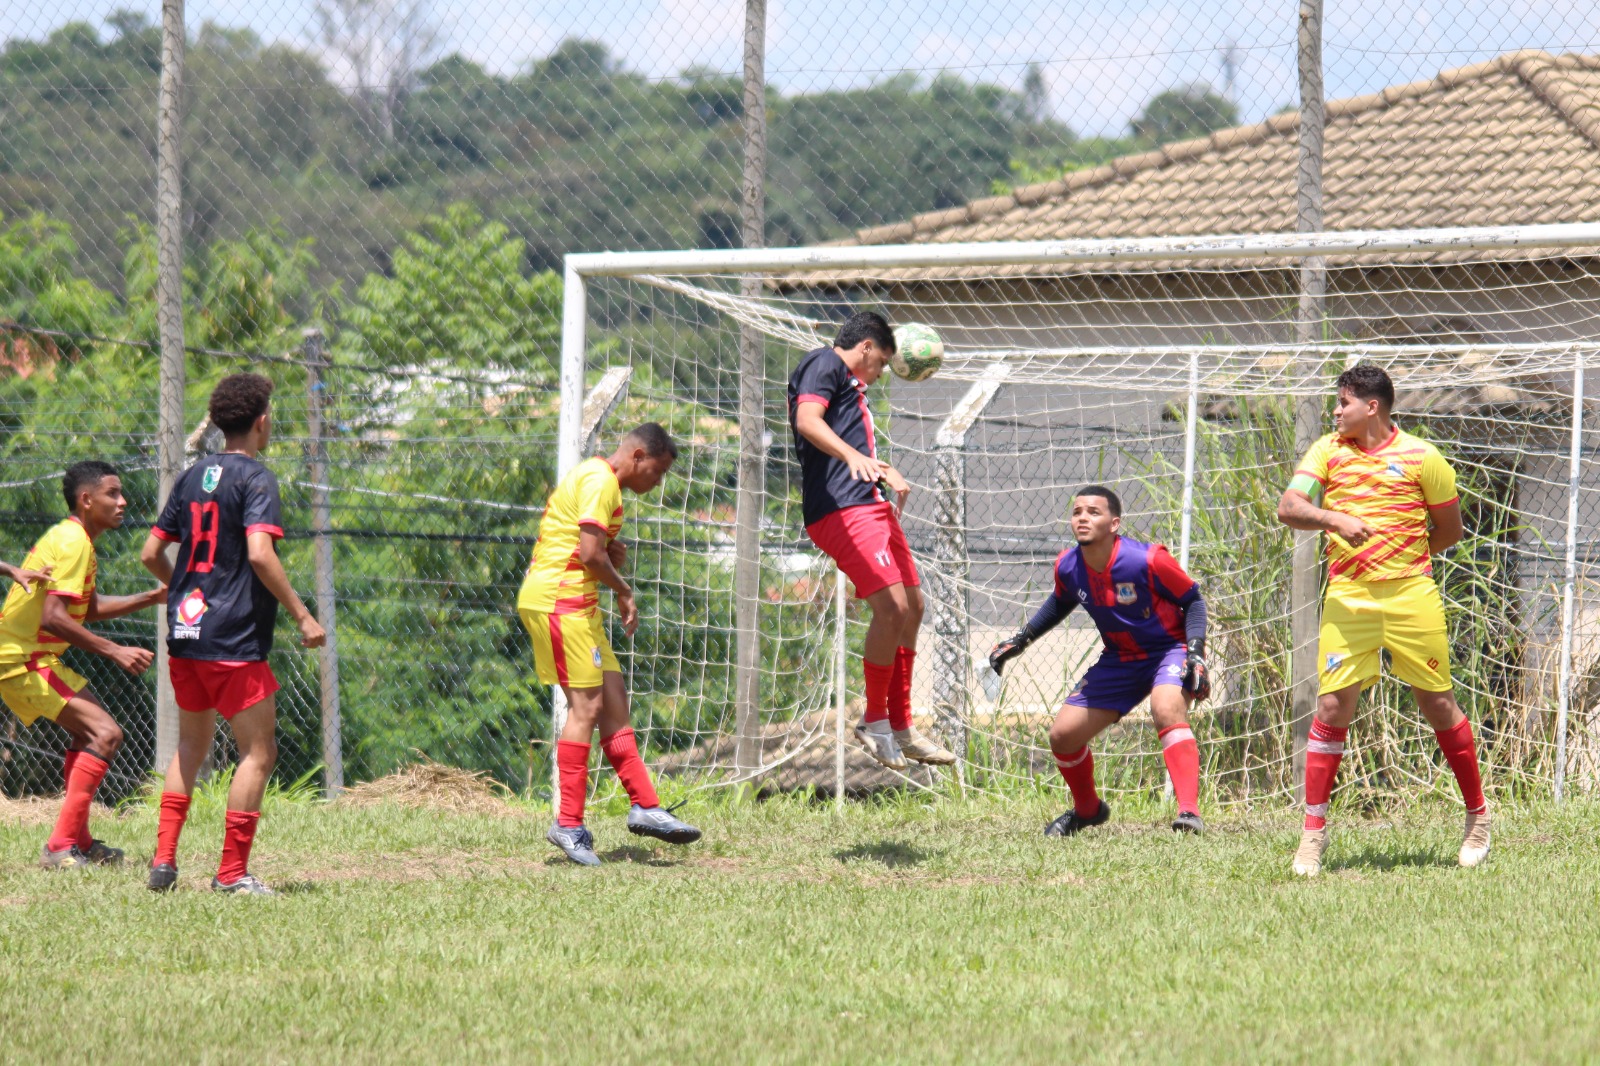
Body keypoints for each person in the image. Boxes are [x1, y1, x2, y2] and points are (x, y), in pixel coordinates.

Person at [1276, 362, 1488, 876]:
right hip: (1348, 599)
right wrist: (1334, 518)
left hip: (1412, 595)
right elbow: (1288, 506)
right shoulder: (1328, 450)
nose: (1335, 410)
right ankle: (1312, 835)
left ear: (1372, 406)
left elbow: (1450, 529)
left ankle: (1478, 817)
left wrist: (1403, 560)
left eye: (1343, 402)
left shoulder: (1422, 456)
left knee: (1438, 703)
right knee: (1331, 705)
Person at [140, 372, 326, 895]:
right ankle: (231, 874)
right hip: (233, 640)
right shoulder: (257, 479)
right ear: (262, 421)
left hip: (186, 632)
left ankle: (164, 861)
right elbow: (261, 553)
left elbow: (151, 553)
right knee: (258, 752)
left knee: (190, 747)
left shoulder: (192, 475)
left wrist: (184, 591)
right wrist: (303, 616)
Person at [519, 423, 701, 867]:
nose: (657, 483)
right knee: (588, 709)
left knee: (614, 698)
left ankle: (646, 806)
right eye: (657, 472)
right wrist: (622, 589)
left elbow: (592, 547)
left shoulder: (601, 481)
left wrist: (609, 557)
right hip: (559, 602)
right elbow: (588, 555)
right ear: (637, 455)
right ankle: (568, 824)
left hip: (580, 604)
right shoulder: (602, 481)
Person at [787, 311, 956, 771]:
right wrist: (854, 457)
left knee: (915, 607)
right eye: (882, 362)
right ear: (865, 348)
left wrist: (882, 469)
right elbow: (807, 420)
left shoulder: (849, 387)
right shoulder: (824, 362)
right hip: (843, 510)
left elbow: (848, 443)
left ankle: (900, 724)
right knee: (892, 609)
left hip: (868, 502)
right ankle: (875, 721)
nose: (882, 372)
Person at [988, 486, 1211, 836]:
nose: (1083, 518)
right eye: (1077, 512)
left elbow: (1194, 601)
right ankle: (1088, 810)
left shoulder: (1148, 559)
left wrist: (1196, 653)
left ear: (1114, 523)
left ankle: (1189, 813)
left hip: (1168, 649)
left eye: (1093, 512)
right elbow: (1060, 602)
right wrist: (1021, 639)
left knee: (1166, 707)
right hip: (1120, 659)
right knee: (1062, 736)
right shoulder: (1067, 565)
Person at [0, 461, 165, 868]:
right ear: (86, 500)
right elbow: (53, 618)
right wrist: (115, 650)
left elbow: (83, 609)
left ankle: (79, 840)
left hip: (30, 657)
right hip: (22, 660)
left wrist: (150, 597)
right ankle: (60, 847)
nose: (123, 501)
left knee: (90, 734)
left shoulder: (74, 538)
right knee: (105, 733)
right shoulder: (75, 543)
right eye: (113, 493)